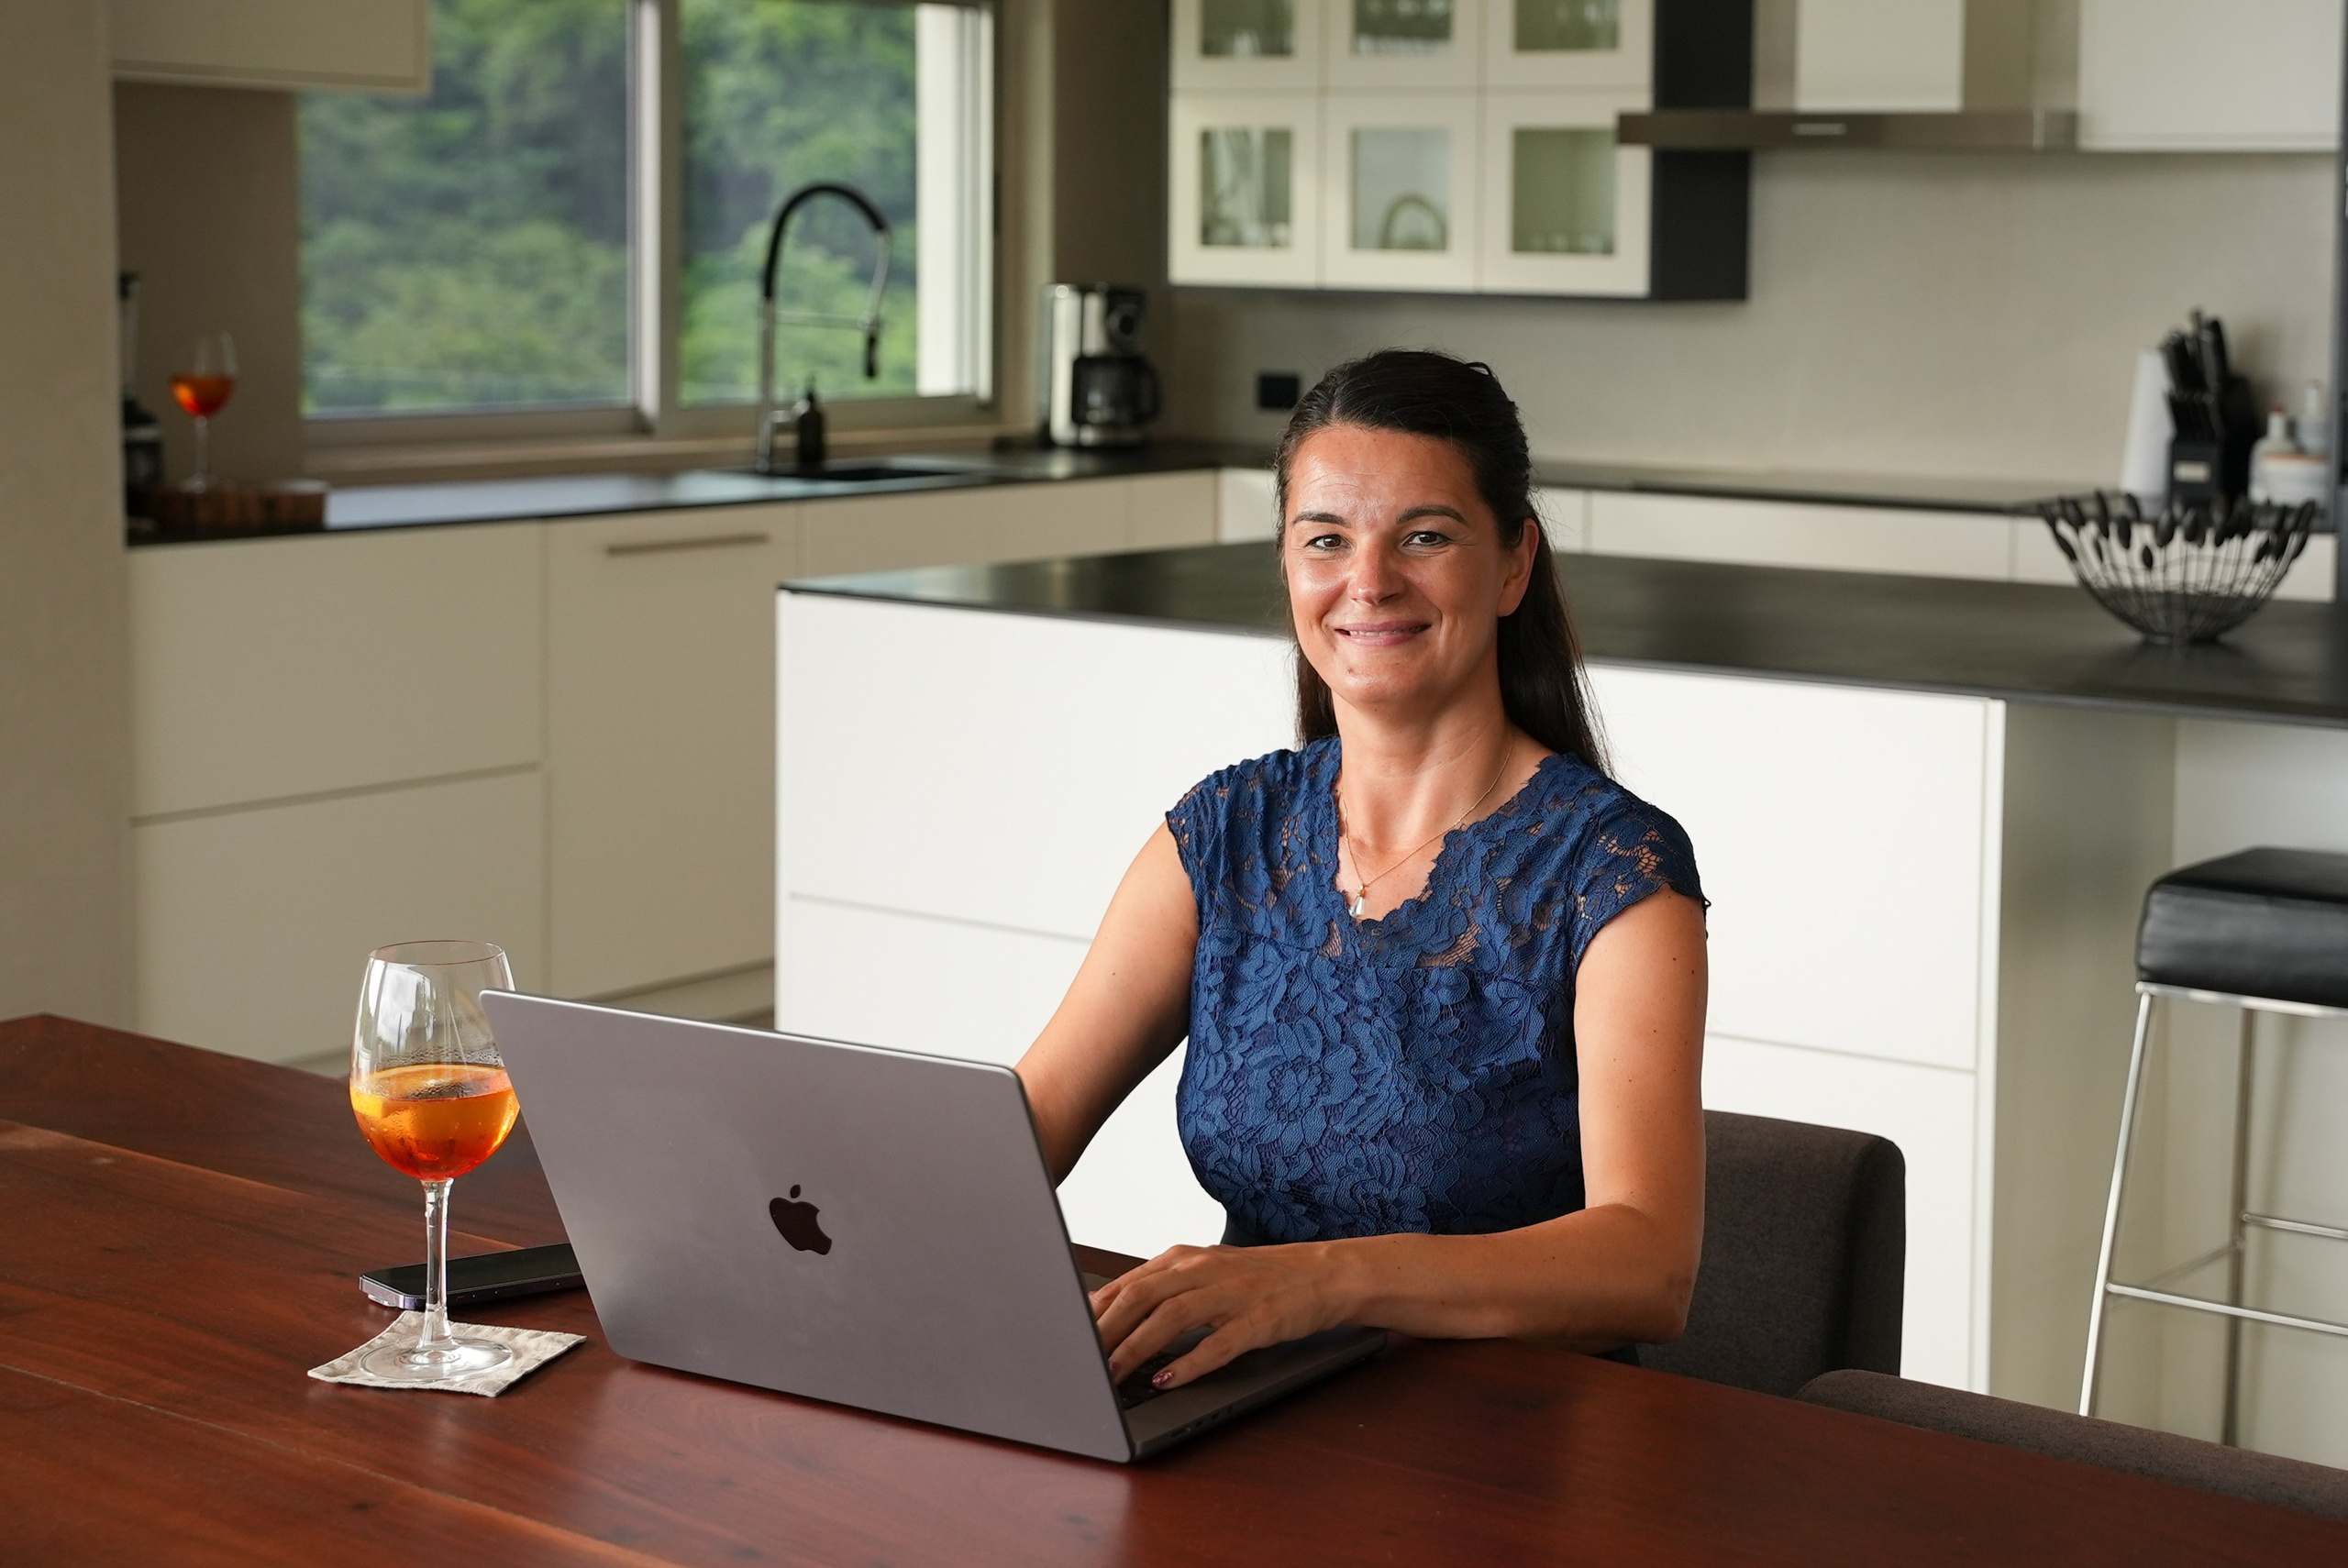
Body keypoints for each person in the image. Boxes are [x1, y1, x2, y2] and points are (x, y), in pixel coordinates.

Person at [1014, 349, 1708, 1393]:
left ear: (1514, 563)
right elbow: (1025, 1126)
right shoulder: (1224, 831)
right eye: (1325, 540)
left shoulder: (1610, 870)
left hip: (1513, 1445)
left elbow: (1647, 1265)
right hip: (1243, 1410)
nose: (1368, 581)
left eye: (1424, 537)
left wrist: (1326, 1282)